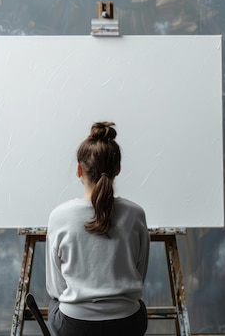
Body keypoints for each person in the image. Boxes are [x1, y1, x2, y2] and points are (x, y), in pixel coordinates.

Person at [45, 121, 150, 336]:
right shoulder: (136, 214)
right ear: (118, 169)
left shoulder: (59, 216)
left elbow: (55, 288)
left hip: (76, 326)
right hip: (126, 324)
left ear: (78, 169)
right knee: (139, 308)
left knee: (54, 305)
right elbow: (139, 275)